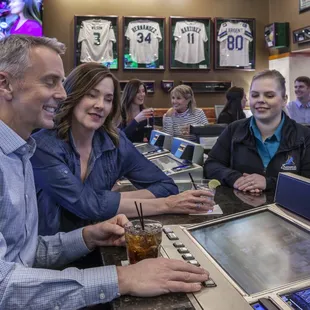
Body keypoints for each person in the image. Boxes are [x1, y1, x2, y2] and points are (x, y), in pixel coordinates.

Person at [0, 35, 210, 309]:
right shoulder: (40, 148)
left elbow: (26, 255)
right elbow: (4, 286)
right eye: (50, 81)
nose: (62, 94)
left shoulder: (21, 153)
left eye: (108, 98)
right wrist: (122, 278)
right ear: (5, 84)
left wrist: (87, 236)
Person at [31, 63, 215, 235]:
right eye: (91, 95)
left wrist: (110, 199)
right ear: (72, 95)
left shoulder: (115, 141)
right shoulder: (43, 145)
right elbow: (86, 205)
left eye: (108, 99)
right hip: (53, 254)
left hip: (102, 240)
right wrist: (166, 205)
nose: (100, 105)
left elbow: (166, 186)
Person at [204, 69, 310, 192]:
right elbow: (211, 165)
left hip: (287, 209)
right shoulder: (234, 130)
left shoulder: (304, 136)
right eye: (255, 95)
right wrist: (235, 179)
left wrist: (268, 183)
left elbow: (306, 181)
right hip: (240, 209)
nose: (260, 100)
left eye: (269, 95)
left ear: (284, 100)